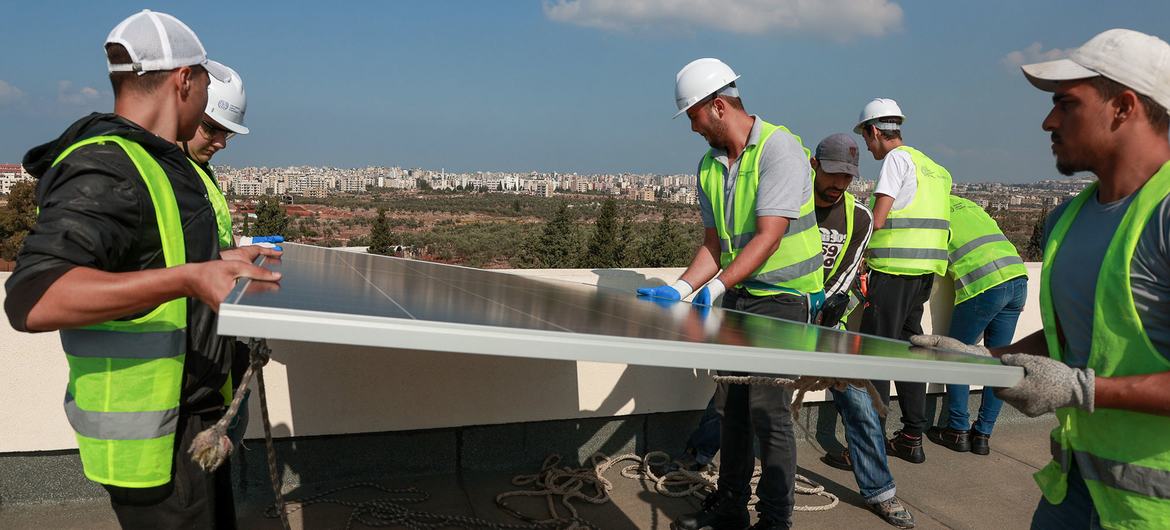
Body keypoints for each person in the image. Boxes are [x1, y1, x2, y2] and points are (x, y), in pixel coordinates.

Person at [3, 10, 281, 528]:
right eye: (203, 80)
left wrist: (217, 262)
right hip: (152, 442)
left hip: (189, 421)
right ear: (185, 81)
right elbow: (33, 298)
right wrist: (189, 277)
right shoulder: (107, 165)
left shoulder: (158, 165)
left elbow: (149, 255)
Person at [914, 28, 1170, 528]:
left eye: (1066, 104)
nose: (1048, 121)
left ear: (1123, 107)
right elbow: (1077, 341)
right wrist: (989, 360)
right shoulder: (1066, 221)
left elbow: (1081, 379)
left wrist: (1085, 390)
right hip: (1074, 489)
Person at [638, 57, 823, 530]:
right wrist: (682, 288)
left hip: (785, 297)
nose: (693, 129)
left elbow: (769, 235)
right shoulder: (709, 167)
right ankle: (731, 507)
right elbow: (714, 245)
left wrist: (717, 286)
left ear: (718, 106)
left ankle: (775, 518)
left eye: (694, 117)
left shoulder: (779, 150)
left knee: (767, 409)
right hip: (741, 293)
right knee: (732, 406)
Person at [810, 134, 913, 528]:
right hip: (780, 315)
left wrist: (822, 309)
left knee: (859, 404)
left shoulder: (860, 218)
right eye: (833, 173)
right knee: (741, 391)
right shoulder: (793, 205)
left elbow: (847, 272)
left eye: (847, 177)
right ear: (816, 167)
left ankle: (881, 493)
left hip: (826, 322)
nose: (839, 184)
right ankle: (697, 458)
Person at [854, 97, 952, 464]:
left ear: (875, 131)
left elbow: (877, 220)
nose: (867, 145)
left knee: (878, 355)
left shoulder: (896, 160)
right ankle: (912, 436)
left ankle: (870, 447)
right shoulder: (935, 168)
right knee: (911, 352)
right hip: (924, 275)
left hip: (893, 273)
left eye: (866, 136)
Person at [924, 196, 1027, 456]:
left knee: (953, 354)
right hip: (1017, 277)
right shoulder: (967, 204)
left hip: (984, 285)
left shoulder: (930, 210)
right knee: (999, 362)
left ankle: (957, 430)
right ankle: (982, 435)